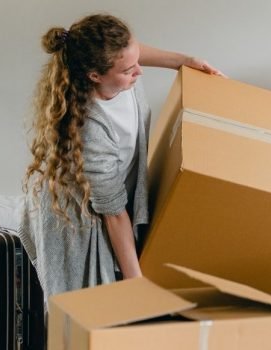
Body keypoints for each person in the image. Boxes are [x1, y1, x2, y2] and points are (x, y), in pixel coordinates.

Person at [18, 13, 225, 298]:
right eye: (129, 69)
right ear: (95, 75)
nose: (139, 72)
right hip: (75, 220)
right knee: (92, 309)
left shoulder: (120, 74)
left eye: (136, 60)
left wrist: (185, 60)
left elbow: (131, 52)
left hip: (110, 203)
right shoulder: (88, 128)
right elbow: (114, 215)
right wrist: (135, 284)